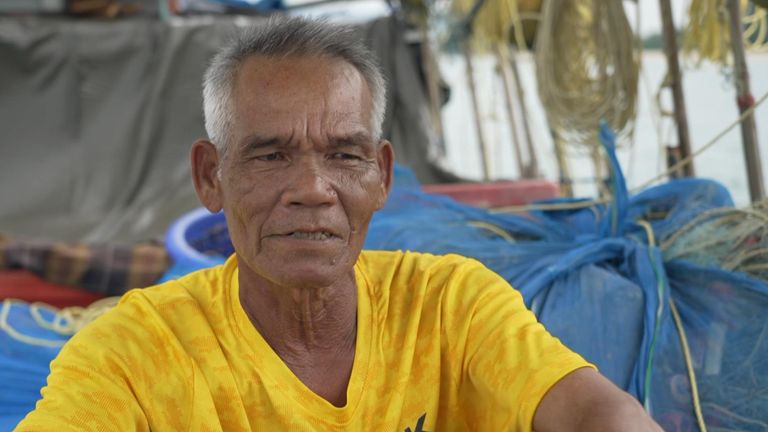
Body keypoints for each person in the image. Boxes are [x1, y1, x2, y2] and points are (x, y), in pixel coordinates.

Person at [18, 16, 662, 431]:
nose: (311, 190)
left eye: (344, 155)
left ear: (381, 176)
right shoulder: (131, 352)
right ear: (210, 176)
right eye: (270, 155)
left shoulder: (452, 306)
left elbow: (596, 415)